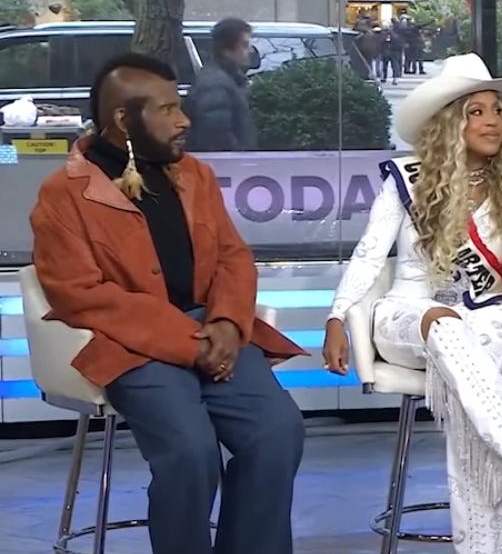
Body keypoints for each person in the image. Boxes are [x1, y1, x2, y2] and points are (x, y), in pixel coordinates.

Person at [29, 53, 307, 554]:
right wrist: (189, 342)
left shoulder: (193, 175)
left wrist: (225, 322)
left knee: (278, 433)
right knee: (191, 452)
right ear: (123, 120)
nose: (184, 120)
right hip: (131, 346)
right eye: (167, 110)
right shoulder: (62, 195)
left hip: (214, 332)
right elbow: (80, 294)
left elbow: (231, 256)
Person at [321, 53, 502, 554]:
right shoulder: (406, 182)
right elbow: (369, 256)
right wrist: (335, 316)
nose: (492, 121)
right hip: (409, 316)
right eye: (476, 111)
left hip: (490, 318)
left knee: (464, 388)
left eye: (497, 111)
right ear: (450, 123)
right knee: (443, 320)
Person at [185, 17, 259, 152]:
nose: (249, 51)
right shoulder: (215, 85)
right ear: (226, 49)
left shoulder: (225, 79)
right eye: (244, 45)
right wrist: (240, 159)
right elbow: (217, 137)